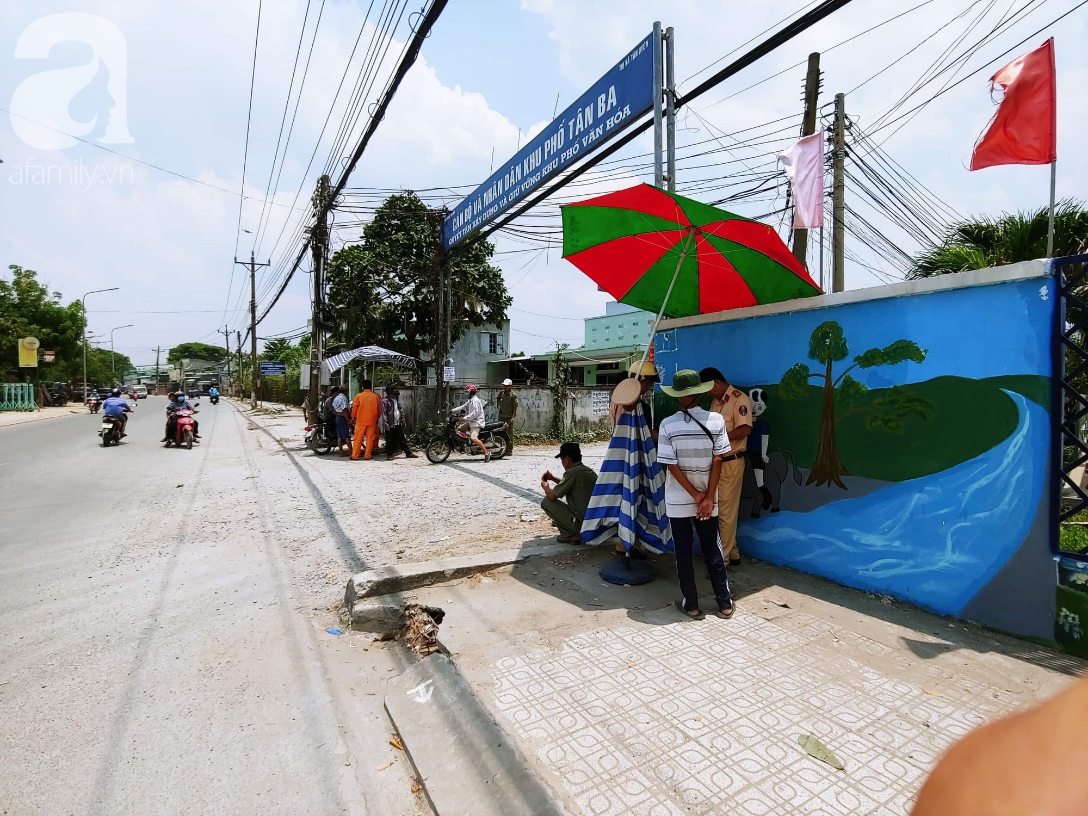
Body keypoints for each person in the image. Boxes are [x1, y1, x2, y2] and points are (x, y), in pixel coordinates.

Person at [658, 369, 734, 620]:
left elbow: (671, 465)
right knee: (712, 549)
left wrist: (694, 495)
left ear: (679, 397)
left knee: (683, 552)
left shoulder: (667, 424)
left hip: (679, 501)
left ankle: (691, 605)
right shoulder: (716, 420)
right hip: (707, 502)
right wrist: (707, 496)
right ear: (700, 393)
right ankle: (724, 604)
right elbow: (719, 459)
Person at [699, 367, 753, 568]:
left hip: (732, 461)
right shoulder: (715, 402)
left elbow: (745, 429)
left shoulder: (740, 399)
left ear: (716, 382)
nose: (707, 393)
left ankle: (722, 560)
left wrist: (720, 438)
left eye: (708, 388)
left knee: (726, 513)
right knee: (720, 509)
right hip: (717, 462)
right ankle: (733, 552)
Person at [540, 442, 598, 544]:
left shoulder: (572, 472)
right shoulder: (588, 471)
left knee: (546, 502)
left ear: (567, 459)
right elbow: (569, 485)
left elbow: (552, 496)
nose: (562, 462)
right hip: (592, 522)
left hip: (579, 522)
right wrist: (553, 478)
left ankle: (571, 535)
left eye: (562, 459)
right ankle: (575, 533)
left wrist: (545, 487)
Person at [452, 384, 490, 462]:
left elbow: (475, 413)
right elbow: (462, 407)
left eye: (467, 392)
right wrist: (452, 410)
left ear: (471, 392)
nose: (466, 394)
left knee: (473, 438)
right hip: (471, 422)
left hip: (476, 423)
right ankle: (468, 442)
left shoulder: (475, 400)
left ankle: (486, 452)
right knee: (459, 429)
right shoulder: (470, 400)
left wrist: (464, 418)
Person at [380, 385, 417, 460]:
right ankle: (389, 454)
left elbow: (400, 410)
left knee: (402, 438)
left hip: (398, 422)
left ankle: (408, 453)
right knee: (389, 439)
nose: (394, 395)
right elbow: (384, 414)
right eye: (393, 394)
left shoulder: (396, 399)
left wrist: (403, 420)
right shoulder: (385, 401)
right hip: (390, 423)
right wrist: (386, 424)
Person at [350, 380, 381, 460]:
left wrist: (353, 417)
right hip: (372, 421)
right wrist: (376, 418)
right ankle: (367, 455)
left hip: (360, 421)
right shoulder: (375, 396)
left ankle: (355, 455)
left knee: (358, 438)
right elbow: (379, 410)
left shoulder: (359, 396)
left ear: (362, 387)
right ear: (370, 386)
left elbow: (355, 408)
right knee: (370, 438)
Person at [497, 378, 519, 453]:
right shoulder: (501, 393)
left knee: (509, 434)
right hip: (501, 417)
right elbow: (498, 399)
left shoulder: (513, 396)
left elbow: (515, 408)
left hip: (508, 418)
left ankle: (509, 449)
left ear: (510, 386)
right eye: (504, 385)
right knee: (499, 433)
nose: (504, 387)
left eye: (506, 386)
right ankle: (500, 449)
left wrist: (513, 417)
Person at [329, 386, 352, 457]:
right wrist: (348, 420)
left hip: (337, 417)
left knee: (339, 436)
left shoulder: (336, 398)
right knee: (346, 436)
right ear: (345, 391)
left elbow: (335, 409)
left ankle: (341, 452)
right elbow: (345, 410)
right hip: (342, 418)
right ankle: (352, 451)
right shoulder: (343, 398)